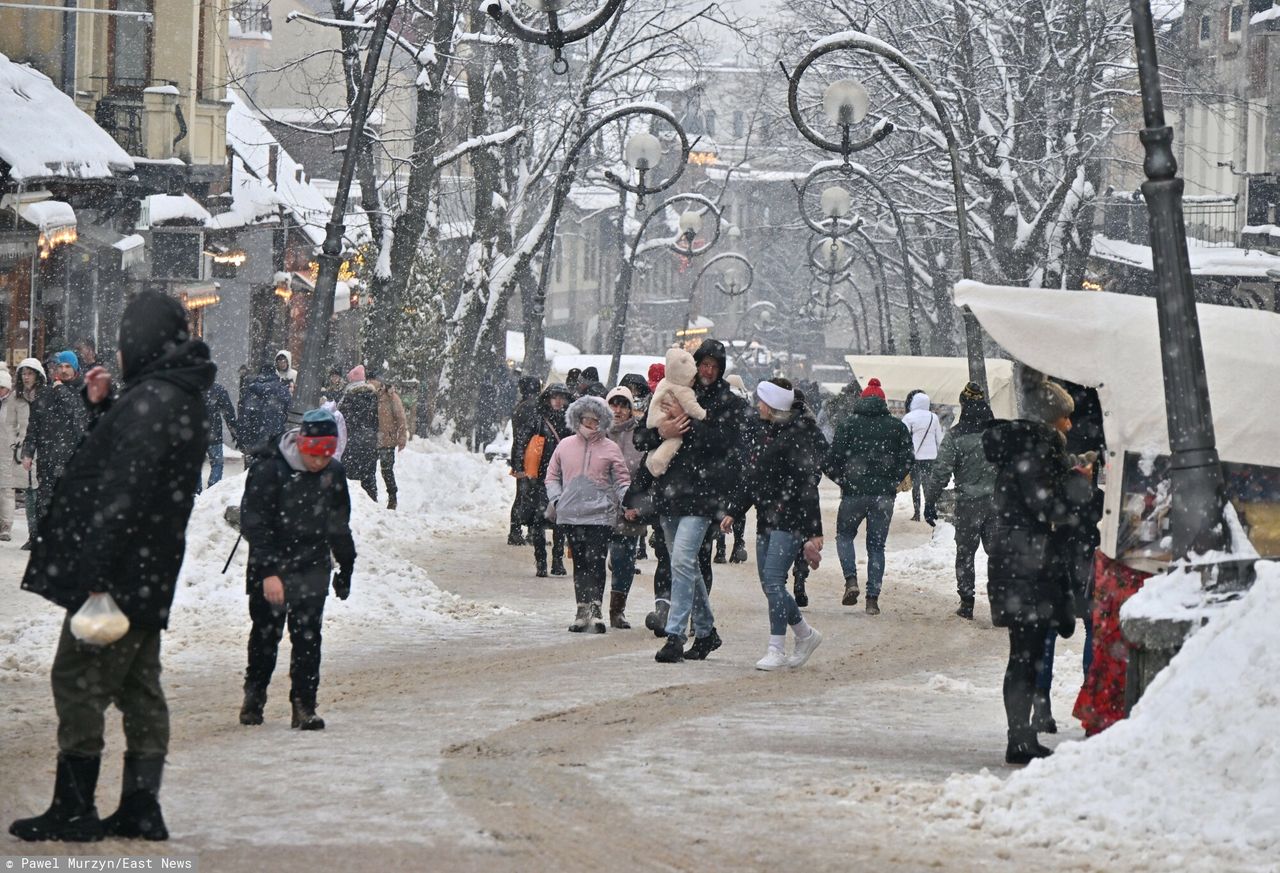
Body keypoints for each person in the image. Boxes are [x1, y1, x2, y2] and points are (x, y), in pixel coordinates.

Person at [10, 291, 214, 843]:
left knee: (76, 678)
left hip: (118, 576)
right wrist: (103, 408)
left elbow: (122, 491)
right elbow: (139, 469)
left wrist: (96, 575)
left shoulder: (155, 400)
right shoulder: (176, 395)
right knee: (139, 685)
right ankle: (141, 807)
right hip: (147, 570)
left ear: (141, 340)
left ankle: (74, 808)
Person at [982, 377, 1093, 764]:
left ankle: (1023, 734)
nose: (1070, 426)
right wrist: (1081, 487)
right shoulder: (1038, 451)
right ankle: (1020, 738)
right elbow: (1048, 507)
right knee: (1026, 655)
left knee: (1025, 653)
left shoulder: (1022, 449)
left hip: (1017, 561)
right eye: (1065, 418)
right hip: (1029, 563)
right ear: (1051, 419)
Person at [239, 408, 356, 732]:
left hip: (312, 564)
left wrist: (346, 566)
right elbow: (255, 524)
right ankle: (255, 695)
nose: (320, 461)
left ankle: (304, 705)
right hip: (271, 562)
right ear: (302, 443)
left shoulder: (333, 473)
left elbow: (338, 526)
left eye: (327, 454)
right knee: (266, 635)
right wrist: (269, 573)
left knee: (308, 637)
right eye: (315, 453)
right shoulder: (269, 469)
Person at [635, 339, 746, 663]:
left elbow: (726, 445)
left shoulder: (728, 402)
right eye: (704, 364)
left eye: (715, 365)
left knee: (682, 561)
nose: (708, 371)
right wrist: (664, 430)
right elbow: (642, 437)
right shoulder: (677, 388)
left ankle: (675, 635)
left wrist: (690, 423)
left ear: (721, 368)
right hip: (669, 495)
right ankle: (707, 631)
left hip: (703, 497)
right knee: (687, 566)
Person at [722, 378, 826, 670]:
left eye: (761, 401)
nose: (757, 406)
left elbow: (807, 486)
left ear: (772, 405)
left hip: (789, 520)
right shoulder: (763, 432)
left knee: (773, 581)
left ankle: (776, 647)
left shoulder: (796, 435)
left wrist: (814, 531)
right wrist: (735, 510)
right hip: (766, 519)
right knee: (771, 586)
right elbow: (752, 478)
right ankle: (805, 634)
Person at [822, 377, 913, 615]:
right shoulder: (897, 427)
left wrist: (844, 480)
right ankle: (872, 598)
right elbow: (908, 459)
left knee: (844, 536)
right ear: (882, 402)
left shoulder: (848, 425)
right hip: (883, 496)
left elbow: (830, 461)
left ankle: (851, 580)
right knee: (876, 546)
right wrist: (892, 481)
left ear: (862, 401)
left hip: (854, 494)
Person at [545, 395, 633, 633]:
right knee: (581, 563)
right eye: (585, 419)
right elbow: (552, 475)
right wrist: (557, 499)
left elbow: (622, 481)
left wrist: (629, 504)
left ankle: (596, 609)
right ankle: (581, 609)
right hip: (571, 514)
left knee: (596, 562)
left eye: (595, 420)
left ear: (603, 421)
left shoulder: (610, 448)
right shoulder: (565, 445)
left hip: (600, 516)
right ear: (577, 418)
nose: (590, 424)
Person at [924, 382, 998, 619]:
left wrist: (930, 500)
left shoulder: (956, 435)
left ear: (964, 406)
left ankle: (967, 602)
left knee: (965, 554)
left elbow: (941, 471)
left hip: (969, 505)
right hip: (998, 504)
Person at [22, 351, 90, 539]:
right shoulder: (45, 394)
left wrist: (61, 391)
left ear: (75, 369)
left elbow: (79, 417)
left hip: (71, 459)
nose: (63, 370)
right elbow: (34, 425)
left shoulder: (84, 390)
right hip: (47, 458)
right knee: (44, 502)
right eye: (60, 366)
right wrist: (28, 451)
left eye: (68, 366)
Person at [513, 383, 573, 576]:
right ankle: (541, 561)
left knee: (560, 521)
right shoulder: (538, 420)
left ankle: (557, 560)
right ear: (547, 398)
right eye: (554, 396)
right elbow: (521, 440)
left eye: (561, 397)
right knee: (539, 520)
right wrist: (520, 467)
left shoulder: (570, 422)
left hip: (563, 478)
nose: (557, 401)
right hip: (540, 477)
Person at [605, 386, 645, 628]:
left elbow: (646, 471)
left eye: (623, 405)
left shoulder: (639, 436)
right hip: (599, 506)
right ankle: (590, 607)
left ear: (631, 409)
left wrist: (638, 502)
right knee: (593, 559)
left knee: (624, 561)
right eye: (614, 404)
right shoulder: (597, 432)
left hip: (629, 508)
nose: (618, 410)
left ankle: (617, 610)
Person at [12, 360, 46, 546]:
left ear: (37, 375)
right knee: (29, 493)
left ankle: (40, 534)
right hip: (23, 449)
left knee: (41, 492)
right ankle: (33, 535)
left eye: (29, 373)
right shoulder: (17, 397)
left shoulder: (46, 395)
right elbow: (10, 423)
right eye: (23, 374)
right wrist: (15, 443)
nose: (26, 377)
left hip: (45, 448)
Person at [508, 375, 543, 545]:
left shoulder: (519, 407)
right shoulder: (535, 406)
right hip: (533, 456)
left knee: (521, 494)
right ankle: (528, 531)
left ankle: (516, 531)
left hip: (521, 455)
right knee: (531, 495)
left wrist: (517, 460)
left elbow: (518, 438)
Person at [338, 365, 380, 501]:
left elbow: (343, 419)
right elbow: (376, 421)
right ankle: (373, 501)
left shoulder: (349, 397)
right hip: (370, 440)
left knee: (347, 475)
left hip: (352, 440)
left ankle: (347, 500)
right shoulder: (373, 396)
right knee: (368, 475)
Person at [902, 390, 943, 521]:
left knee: (916, 485)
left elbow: (903, 438)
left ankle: (917, 513)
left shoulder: (909, 417)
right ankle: (929, 511)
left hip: (915, 457)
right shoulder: (934, 417)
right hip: (931, 457)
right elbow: (939, 439)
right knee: (928, 485)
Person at [0, 364, 30, 541]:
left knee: (6, 490)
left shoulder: (16, 402)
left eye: (1, 388)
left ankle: (5, 526)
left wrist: (19, 446)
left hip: (8, 451)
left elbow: (22, 426)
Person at [237, 363, 292, 459]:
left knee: (254, 467)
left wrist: (242, 437)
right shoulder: (282, 389)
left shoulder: (252, 388)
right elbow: (287, 409)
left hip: (255, 434)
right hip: (275, 435)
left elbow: (245, 414)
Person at [370, 371, 408, 510]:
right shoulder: (369, 396)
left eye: (372, 380)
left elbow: (401, 417)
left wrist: (402, 437)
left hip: (388, 439)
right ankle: (371, 498)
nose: (371, 384)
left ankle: (392, 497)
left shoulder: (391, 396)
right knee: (370, 469)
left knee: (386, 470)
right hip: (372, 439)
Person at [198, 380, 239, 493]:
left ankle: (196, 491)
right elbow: (228, 412)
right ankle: (213, 489)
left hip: (196, 434)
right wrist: (233, 430)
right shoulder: (218, 389)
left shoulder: (192, 388)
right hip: (213, 432)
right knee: (217, 463)